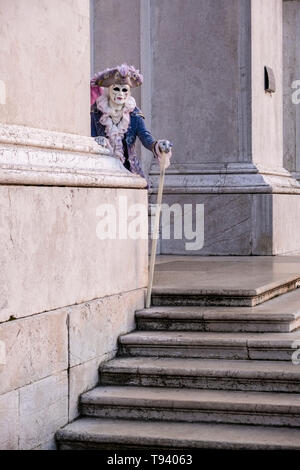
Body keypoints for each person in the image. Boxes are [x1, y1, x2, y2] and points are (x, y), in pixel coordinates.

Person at [90, 64, 172, 181]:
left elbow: (145, 137)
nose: (120, 94)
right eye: (116, 89)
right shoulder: (97, 111)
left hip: (129, 172)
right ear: (109, 90)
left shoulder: (134, 114)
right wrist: (96, 141)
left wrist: (158, 145)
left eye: (124, 90)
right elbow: (91, 136)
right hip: (102, 171)